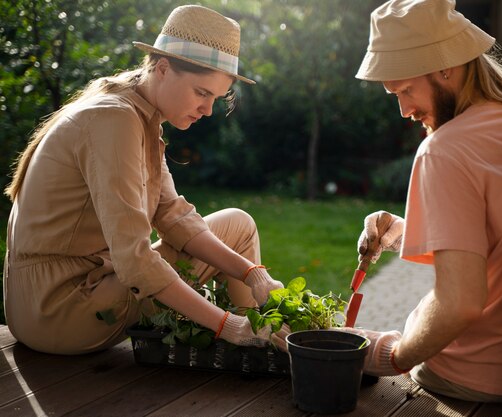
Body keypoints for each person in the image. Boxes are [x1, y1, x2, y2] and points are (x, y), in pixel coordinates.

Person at [339, 0, 502, 402]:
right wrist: (404, 234)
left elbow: (459, 304)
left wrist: (392, 356)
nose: (404, 110)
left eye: (407, 89)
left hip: (478, 375)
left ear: (446, 66)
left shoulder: (444, 150)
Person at [3, 5, 288, 355]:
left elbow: (173, 216)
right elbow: (134, 259)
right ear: (163, 67)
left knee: (238, 225)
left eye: (215, 98)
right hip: (61, 311)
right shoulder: (114, 120)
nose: (207, 110)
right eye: (202, 93)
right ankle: (264, 344)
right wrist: (226, 326)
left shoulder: (138, 116)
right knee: (235, 243)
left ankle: (264, 338)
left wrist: (253, 275)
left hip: (61, 302)